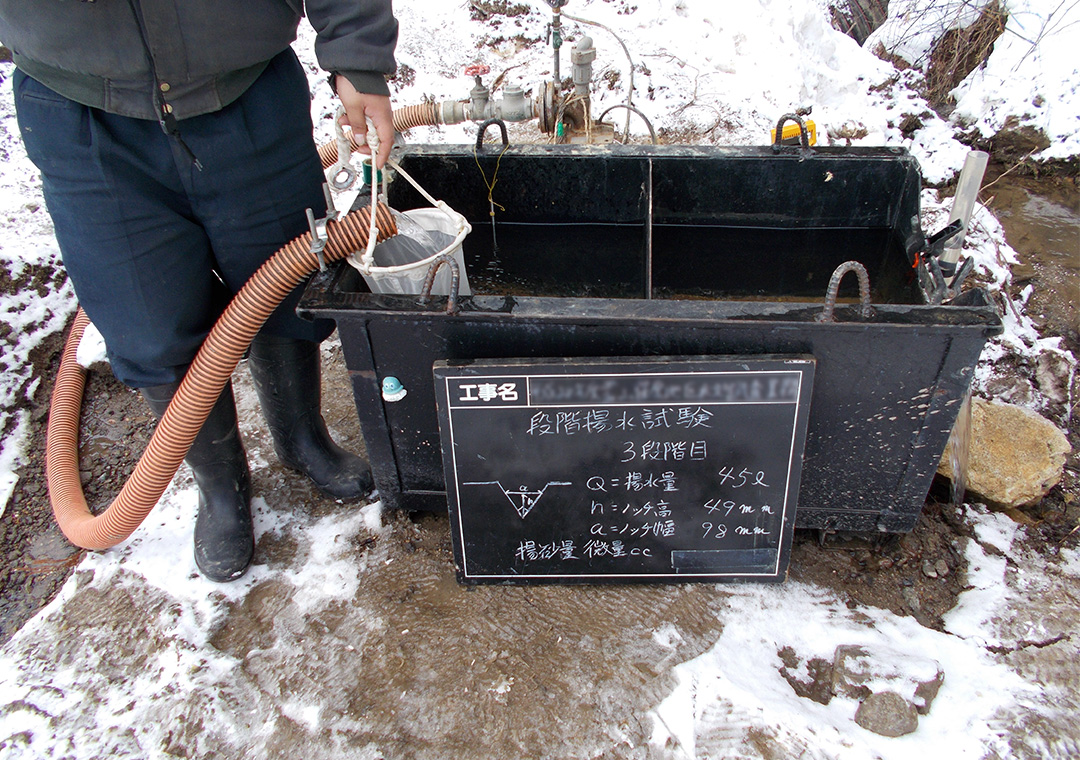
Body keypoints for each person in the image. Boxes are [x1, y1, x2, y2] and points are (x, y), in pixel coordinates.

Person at [0, 1, 398, 582]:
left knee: (285, 283)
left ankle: (301, 438)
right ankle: (222, 486)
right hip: (79, 107)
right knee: (148, 320)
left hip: (246, 91)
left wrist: (358, 58)